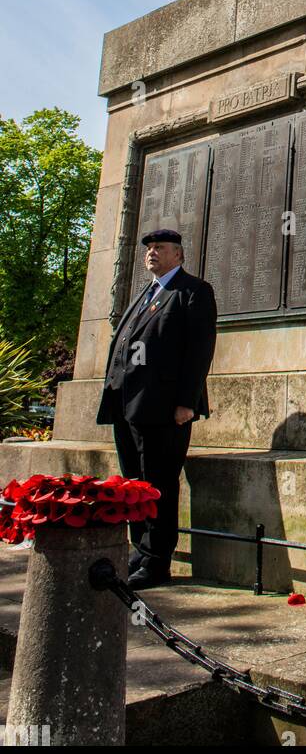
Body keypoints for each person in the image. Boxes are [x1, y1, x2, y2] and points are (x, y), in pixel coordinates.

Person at [96, 228, 217, 587]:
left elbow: (199, 351)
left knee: (159, 482)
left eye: (159, 248)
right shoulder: (145, 294)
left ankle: (157, 560)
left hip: (164, 409)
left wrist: (186, 403)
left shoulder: (192, 292)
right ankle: (141, 551)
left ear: (178, 255)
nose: (151, 253)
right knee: (135, 481)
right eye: (149, 248)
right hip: (127, 406)